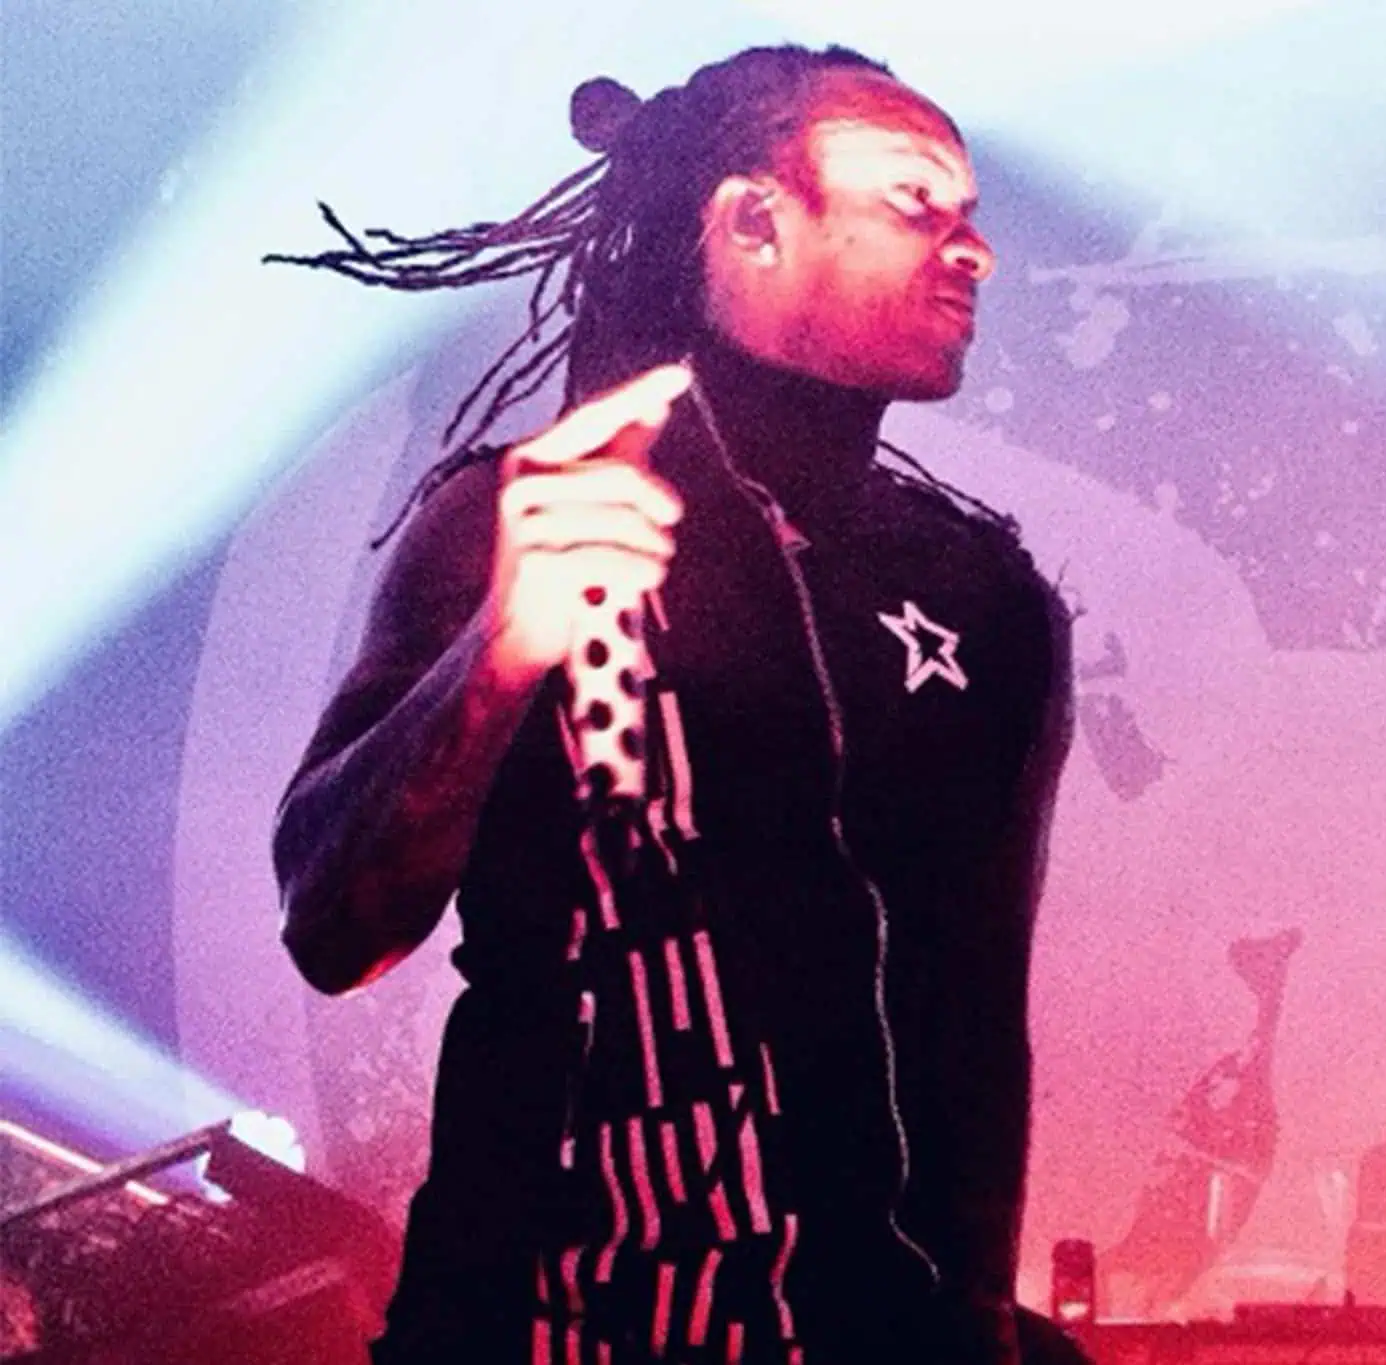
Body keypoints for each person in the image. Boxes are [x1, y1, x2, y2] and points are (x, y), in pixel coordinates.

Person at [271, 45, 1073, 1365]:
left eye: (968, 212)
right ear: (753, 220)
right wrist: (498, 653)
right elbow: (330, 923)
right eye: (912, 201)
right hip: (535, 1326)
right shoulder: (514, 517)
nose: (971, 248)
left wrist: (975, 1321)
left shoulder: (983, 593)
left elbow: (976, 1017)